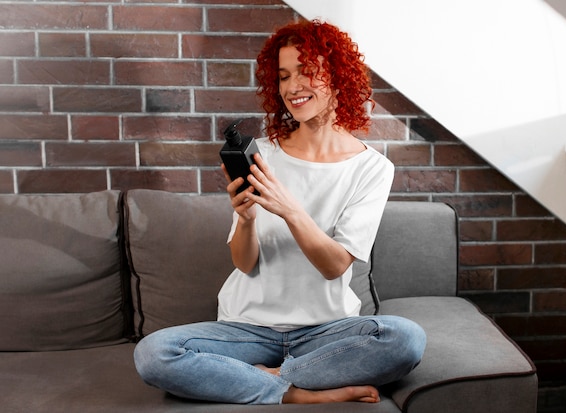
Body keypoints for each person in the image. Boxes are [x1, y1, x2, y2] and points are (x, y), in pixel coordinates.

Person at [134, 19, 426, 405]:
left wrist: (290, 210)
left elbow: (335, 265)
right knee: (154, 353)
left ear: (338, 78)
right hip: (247, 329)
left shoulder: (371, 168)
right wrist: (248, 219)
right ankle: (293, 392)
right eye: (284, 76)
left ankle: (267, 379)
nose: (292, 87)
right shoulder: (263, 154)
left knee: (405, 339)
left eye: (306, 72)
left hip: (325, 333)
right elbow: (243, 262)